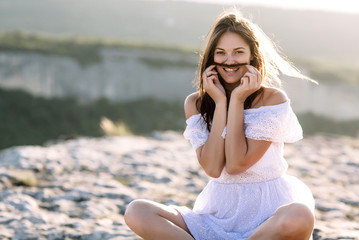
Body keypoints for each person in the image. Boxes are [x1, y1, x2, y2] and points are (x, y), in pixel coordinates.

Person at [124, 8, 316, 240]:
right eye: (221, 53)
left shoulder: (272, 99)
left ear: (252, 56)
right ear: (211, 57)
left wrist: (237, 100)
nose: (230, 61)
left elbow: (236, 164)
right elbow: (213, 168)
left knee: (301, 214)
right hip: (216, 214)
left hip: (267, 216)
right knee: (137, 211)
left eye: (238, 52)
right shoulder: (196, 103)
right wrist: (221, 103)